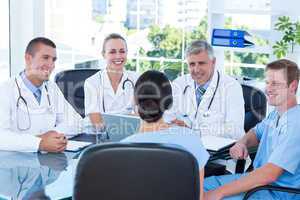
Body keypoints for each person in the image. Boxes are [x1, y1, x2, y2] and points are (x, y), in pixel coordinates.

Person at [204, 59, 300, 200]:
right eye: (267, 83)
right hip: (256, 181)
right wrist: (242, 143)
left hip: (276, 192)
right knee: (199, 185)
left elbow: (269, 174)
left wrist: (220, 192)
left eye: (275, 84)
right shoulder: (276, 114)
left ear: (292, 86)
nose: (268, 89)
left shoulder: (295, 124)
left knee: (213, 195)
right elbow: (255, 133)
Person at [122, 70, 210, 199]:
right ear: (169, 103)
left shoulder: (122, 148)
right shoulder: (191, 138)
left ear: (135, 100)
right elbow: (199, 197)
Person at [0, 37, 82, 152]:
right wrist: (39, 142)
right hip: (15, 164)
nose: (51, 64)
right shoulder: (5, 90)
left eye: (53, 60)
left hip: (49, 161)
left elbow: (76, 122)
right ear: (28, 58)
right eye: (45, 58)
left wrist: (52, 135)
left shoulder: (51, 88)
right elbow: (2, 137)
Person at [166, 40, 244, 139]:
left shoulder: (231, 87)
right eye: (192, 64)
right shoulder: (180, 84)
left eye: (201, 63)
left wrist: (194, 132)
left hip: (221, 151)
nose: (196, 69)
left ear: (213, 62)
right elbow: (167, 118)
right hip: (186, 146)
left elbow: (235, 130)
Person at [84, 33, 139, 128]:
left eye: (122, 51)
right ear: (104, 55)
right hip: (97, 135)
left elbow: (141, 115)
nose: (118, 56)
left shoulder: (136, 79)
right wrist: (129, 119)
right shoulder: (92, 83)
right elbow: (96, 121)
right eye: (112, 52)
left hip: (127, 133)